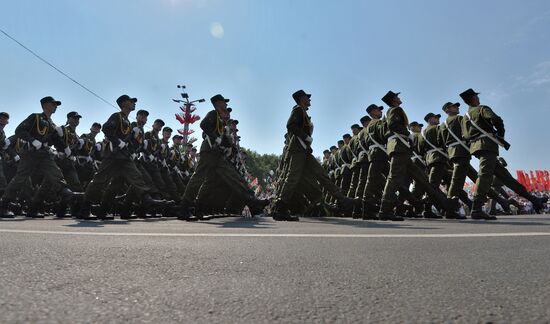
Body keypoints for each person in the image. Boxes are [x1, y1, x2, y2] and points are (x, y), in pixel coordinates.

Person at [460, 88, 547, 218]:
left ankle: (534, 200)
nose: (478, 98)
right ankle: (476, 208)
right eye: (476, 97)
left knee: (506, 178)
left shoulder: (464, 118)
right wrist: (500, 134)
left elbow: (464, 136)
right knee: (484, 176)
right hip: (487, 146)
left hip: (476, 148)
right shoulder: (482, 109)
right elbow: (496, 119)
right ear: (473, 98)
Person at [272, 90, 355, 221]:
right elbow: (290, 125)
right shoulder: (298, 110)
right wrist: (305, 136)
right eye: (307, 97)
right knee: (292, 178)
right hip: (297, 150)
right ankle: (280, 208)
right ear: (301, 99)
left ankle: (341, 199)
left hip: (304, 151)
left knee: (321, 174)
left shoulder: (304, 112)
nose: (309, 99)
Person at [79, 94, 162, 219]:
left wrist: (131, 140)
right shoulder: (117, 116)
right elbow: (106, 128)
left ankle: (146, 199)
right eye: (131, 102)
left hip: (124, 156)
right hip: (113, 155)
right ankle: (84, 208)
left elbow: (128, 141)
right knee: (99, 181)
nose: (133, 103)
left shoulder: (128, 122)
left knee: (134, 177)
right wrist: (118, 141)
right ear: (124, 104)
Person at [0, 96, 73, 218]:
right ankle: (4, 205)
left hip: (45, 154)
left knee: (55, 172)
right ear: (45, 105)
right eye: (53, 104)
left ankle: (36, 207)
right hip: (30, 153)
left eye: (56, 105)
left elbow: (55, 139)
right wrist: (33, 140)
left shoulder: (52, 124)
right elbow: (19, 130)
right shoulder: (35, 117)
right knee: (20, 179)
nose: (55, 106)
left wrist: (65, 148)